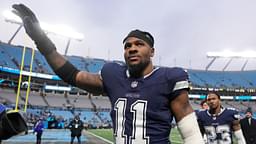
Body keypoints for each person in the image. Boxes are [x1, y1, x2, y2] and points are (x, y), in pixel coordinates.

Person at [12, 4, 204, 143]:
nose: (132, 49)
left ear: (152, 51)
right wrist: (40, 39)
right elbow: (72, 75)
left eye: (139, 44)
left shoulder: (169, 78)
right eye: (128, 46)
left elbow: (190, 132)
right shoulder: (113, 74)